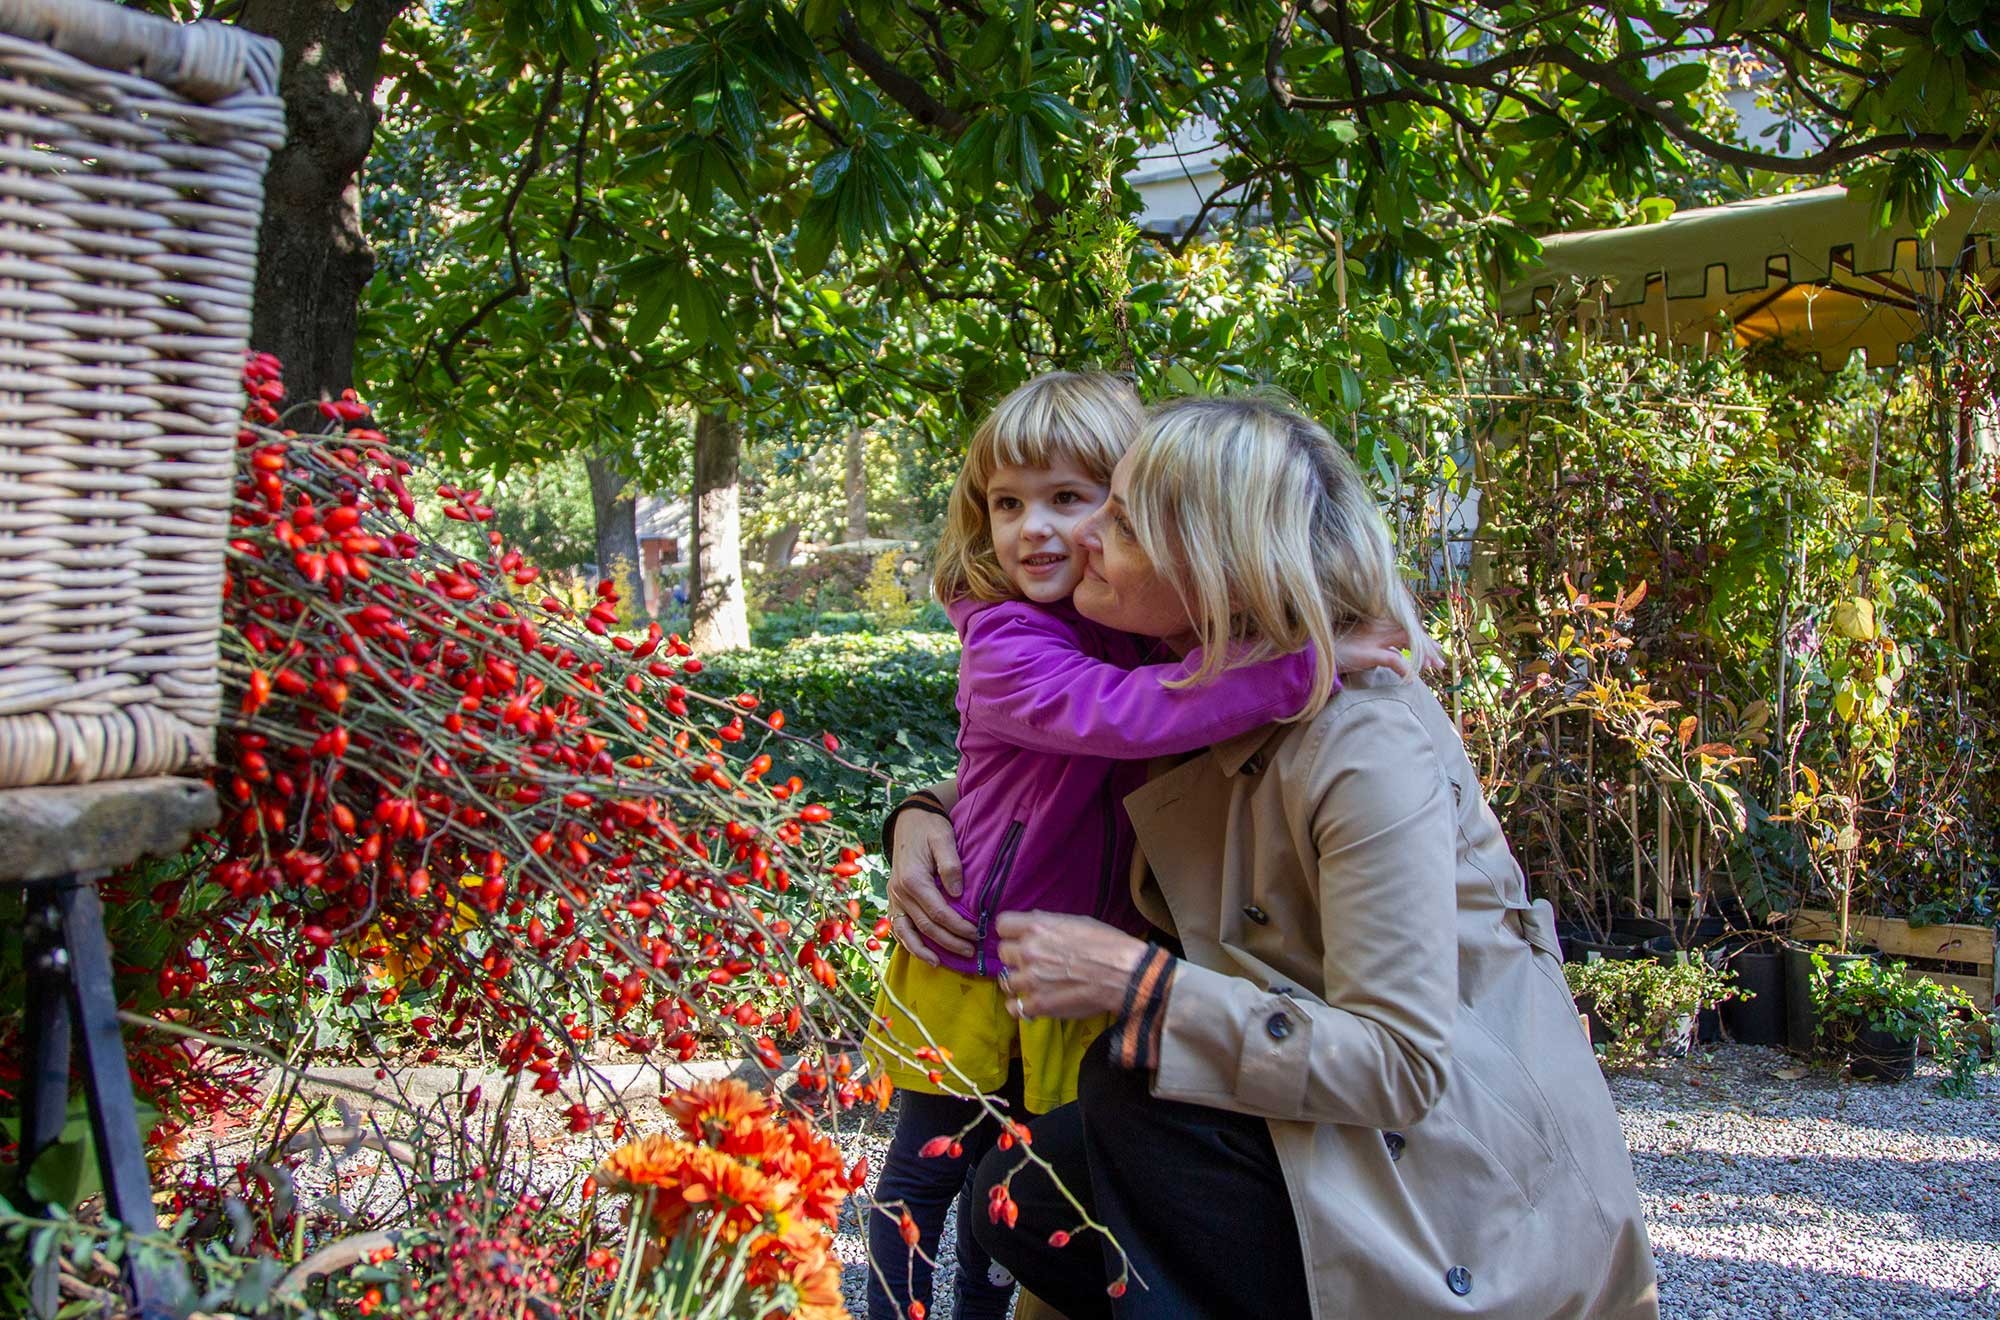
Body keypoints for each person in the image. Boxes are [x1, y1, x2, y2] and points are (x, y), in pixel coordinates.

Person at [885, 395, 1659, 1319]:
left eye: (1118, 520)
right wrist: (925, 813)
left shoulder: (1364, 743)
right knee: (1033, 1187)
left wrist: (1144, 987)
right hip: (1290, 1105)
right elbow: (1059, 758)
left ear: (1210, 565)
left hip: (1436, 1185)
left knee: (1116, 1120)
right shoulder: (1194, 683)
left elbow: (1403, 1066)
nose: (1082, 534)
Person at [863, 375, 1417, 1320]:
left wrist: (1343, 637)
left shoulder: (1126, 623)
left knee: (1019, 1177)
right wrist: (1306, 661)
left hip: (1086, 957)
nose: (1034, 529)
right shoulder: (1004, 638)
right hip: (973, 945)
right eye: (1007, 504)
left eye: (1071, 502)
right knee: (926, 1169)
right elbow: (1116, 719)